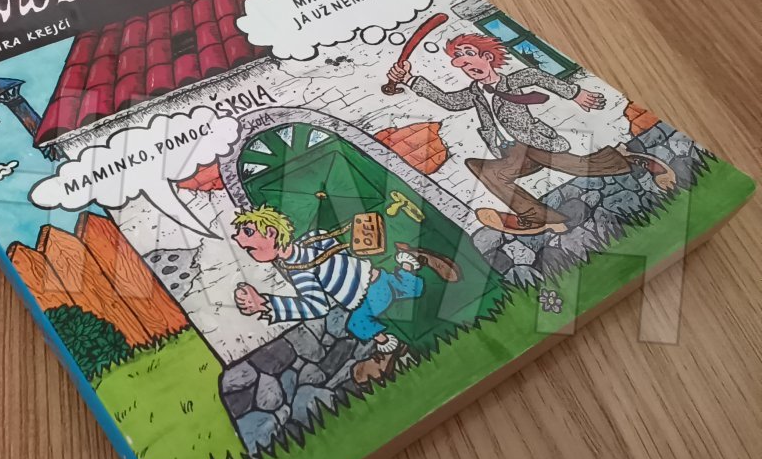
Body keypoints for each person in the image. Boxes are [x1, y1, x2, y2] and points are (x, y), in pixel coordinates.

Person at [388, 33, 675, 235]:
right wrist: (410, 79)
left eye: (469, 58)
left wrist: (575, 93)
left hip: (534, 142)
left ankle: (629, 160)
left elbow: (539, 78)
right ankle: (537, 217)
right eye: (461, 63)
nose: (466, 66)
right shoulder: (474, 92)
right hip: (510, 152)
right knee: (484, 169)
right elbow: (449, 101)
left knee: (576, 166)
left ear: (487, 57)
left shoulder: (514, 80)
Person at [230, 205, 447, 374]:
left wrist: (266, 304)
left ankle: (393, 347)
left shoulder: (300, 269)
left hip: (367, 295)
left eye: (248, 236)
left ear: (271, 233)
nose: (245, 245)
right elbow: (337, 247)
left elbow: (316, 306)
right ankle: (411, 261)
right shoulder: (310, 240)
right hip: (375, 275)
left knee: (358, 324)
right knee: (407, 287)